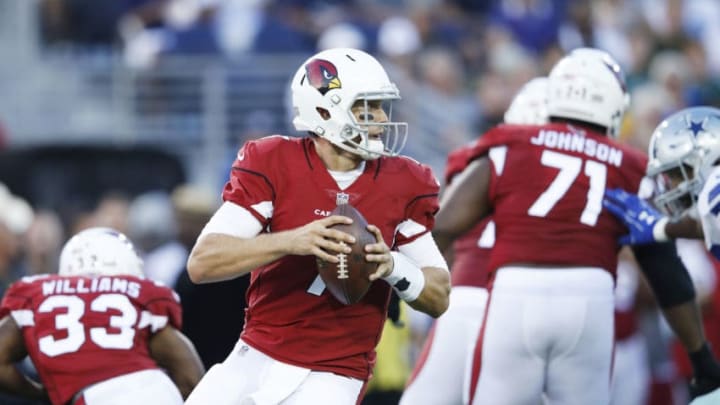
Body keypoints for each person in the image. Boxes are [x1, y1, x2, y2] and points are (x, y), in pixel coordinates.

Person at [432, 47, 720, 405]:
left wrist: (409, 283)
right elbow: (665, 272)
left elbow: (443, 226)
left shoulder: (511, 145)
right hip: (591, 300)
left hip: (514, 293)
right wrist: (700, 356)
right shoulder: (629, 165)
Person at [184, 47, 451, 405]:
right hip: (257, 354)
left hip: (335, 372)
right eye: (365, 108)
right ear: (325, 110)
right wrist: (293, 241)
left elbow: (439, 295)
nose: (379, 120)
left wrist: (393, 266)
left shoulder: (404, 181)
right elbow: (202, 263)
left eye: (381, 107)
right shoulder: (273, 161)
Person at [399, 76, 549, 405]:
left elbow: (443, 232)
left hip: (466, 293)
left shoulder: (478, 158)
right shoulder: (585, 167)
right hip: (525, 305)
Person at [0, 227, 205, 405]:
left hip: (92, 397)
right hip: (153, 390)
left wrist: (40, 392)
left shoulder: (36, 293)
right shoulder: (138, 294)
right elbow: (190, 377)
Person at [604, 106, 720, 403]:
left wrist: (660, 228)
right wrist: (661, 229)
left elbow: (705, 220)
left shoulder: (713, 193)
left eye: (678, 173)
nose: (673, 187)